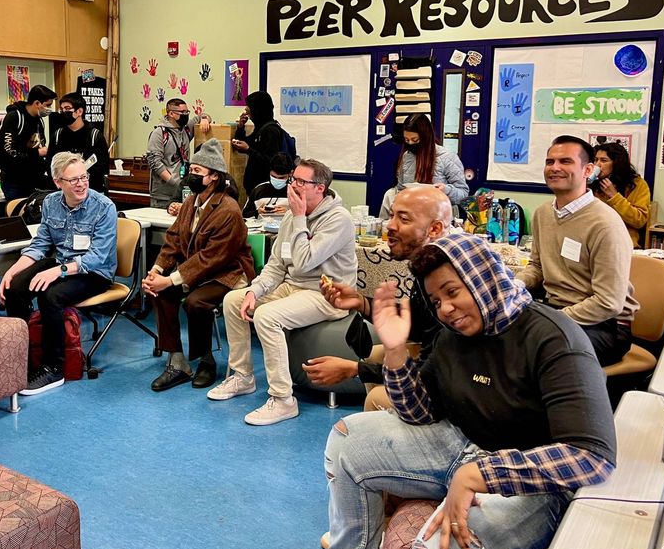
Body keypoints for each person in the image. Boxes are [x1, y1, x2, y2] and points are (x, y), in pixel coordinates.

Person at [324, 234, 616, 549]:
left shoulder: (554, 338)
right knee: (347, 441)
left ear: (483, 279)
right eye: (435, 301)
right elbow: (420, 412)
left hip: (533, 480)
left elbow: (593, 457)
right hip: (460, 444)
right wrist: (395, 351)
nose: (445, 309)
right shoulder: (453, 334)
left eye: (452, 292)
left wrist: (482, 474)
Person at [208, 158, 356, 426]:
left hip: (328, 294)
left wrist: (299, 218)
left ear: (320, 188)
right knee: (233, 300)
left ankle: (283, 399)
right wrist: (255, 290)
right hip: (293, 287)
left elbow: (304, 261)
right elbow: (277, 264)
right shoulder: (291, 216)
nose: (293, 186)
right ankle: (243, 376)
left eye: (301, 181)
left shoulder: (338, 219)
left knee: (266, 316)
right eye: (293, 179)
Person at [303, 186, 451, 410]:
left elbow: (433, 368)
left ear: (435, 228)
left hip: (458, 384)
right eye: (392, 215)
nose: (390, 225)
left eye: (403, 218)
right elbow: (419, 323)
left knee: (377, 398)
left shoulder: (446, 280)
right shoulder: (428, 265)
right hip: (443, 365)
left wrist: (353, 370)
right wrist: (361, 302)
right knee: (374, 354)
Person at [0, 152, 117, 394]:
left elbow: (98, 257)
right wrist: (11, 272)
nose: (81, 184)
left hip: (94, 273)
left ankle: (53, 368)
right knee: (15, 288)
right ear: (57, 182)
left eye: (84, 177)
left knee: (50, 296)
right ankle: (20, 359)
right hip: (62, 263)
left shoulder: (104, 207)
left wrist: (59, 271)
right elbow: (40, 244)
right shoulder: (52, 203)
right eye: (73, 180)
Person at [143, 139, 255, 392]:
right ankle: (177, 361)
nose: (190, 175)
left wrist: (171, 279)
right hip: (198, 269)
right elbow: (173, 239)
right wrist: (157, 271)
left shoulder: (228, 210)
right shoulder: (191, 202)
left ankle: (205, 360)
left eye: (196, 171)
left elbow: (213, 257)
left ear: (213, 177)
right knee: (159, 292)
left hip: (228, 272)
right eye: (190, 170)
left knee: (197, 302)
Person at [516, 135, 638, 366]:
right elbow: (537, 267)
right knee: (493, 337)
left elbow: (609, 302)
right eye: (550, 162)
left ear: (588, 170)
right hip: (555, 310)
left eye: (566, 161)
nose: (555, 168)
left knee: (535, 357)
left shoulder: (604, 223)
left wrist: (552, 320)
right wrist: (514, 284)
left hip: (604, 325)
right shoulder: (543, 214)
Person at [0, 84, 57, 201]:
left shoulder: (39, 121)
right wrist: (37, 153)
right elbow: (9, 151)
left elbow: (40, 144)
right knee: (17, 213)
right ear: (37, 103)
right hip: (14, 180)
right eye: (47, 105)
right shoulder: (14, 117)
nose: (49, 109)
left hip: (34, 178)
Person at [145, 98, 210, 208]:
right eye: (182, 112)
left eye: (187, 112)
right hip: (163, 195)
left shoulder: (185, 130)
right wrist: (173, 181)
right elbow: (154, 162)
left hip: (182, 193)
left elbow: (203, 116)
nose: (186, 115)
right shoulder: (159, 133)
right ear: (171, 113)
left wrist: (204, 119)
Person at [393, 113, 468, 205]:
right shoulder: (407, 156)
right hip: (413, 213)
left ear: (426, 137)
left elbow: (463, 194)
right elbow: (401, 188)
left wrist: (446, 190)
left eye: (415, 140)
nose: (410, 143)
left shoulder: (447, 157)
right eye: (407, 140)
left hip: (438, 213)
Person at [593, 142, 651, 248]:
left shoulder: (637, 184)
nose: (597, 165)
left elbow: (639, 220)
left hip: (622, 242)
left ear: (616, 163)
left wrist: (615, 197)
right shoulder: (591, 183)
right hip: (593, 239)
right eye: (596, 160)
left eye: (604, 160)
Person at [49, 92, 110, 192]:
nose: (63, 112)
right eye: (62, 109)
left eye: (67, 108)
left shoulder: (95, 136)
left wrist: (80, 176)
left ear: (79, 111)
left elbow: (103, 166)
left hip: (91, 191)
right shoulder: (57, 135)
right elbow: (50, 163)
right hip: (63, 192)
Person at [231, 91, 284, 196]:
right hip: (254, 188)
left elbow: (270, 161)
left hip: (264, 189)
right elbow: (246, 144)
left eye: (249, 108)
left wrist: (249, 150)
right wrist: (241, 127)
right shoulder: (260, 128)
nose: (247, 112)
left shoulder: (270, 131)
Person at [241, 152, 294, 218]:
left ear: (290, 173)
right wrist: (257, 212)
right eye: (273, 176)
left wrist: (289, 213)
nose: (277, 180)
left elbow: (304, 216)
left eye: (282, 178)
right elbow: (244, 214)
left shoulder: (295, 192)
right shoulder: (258, 190)